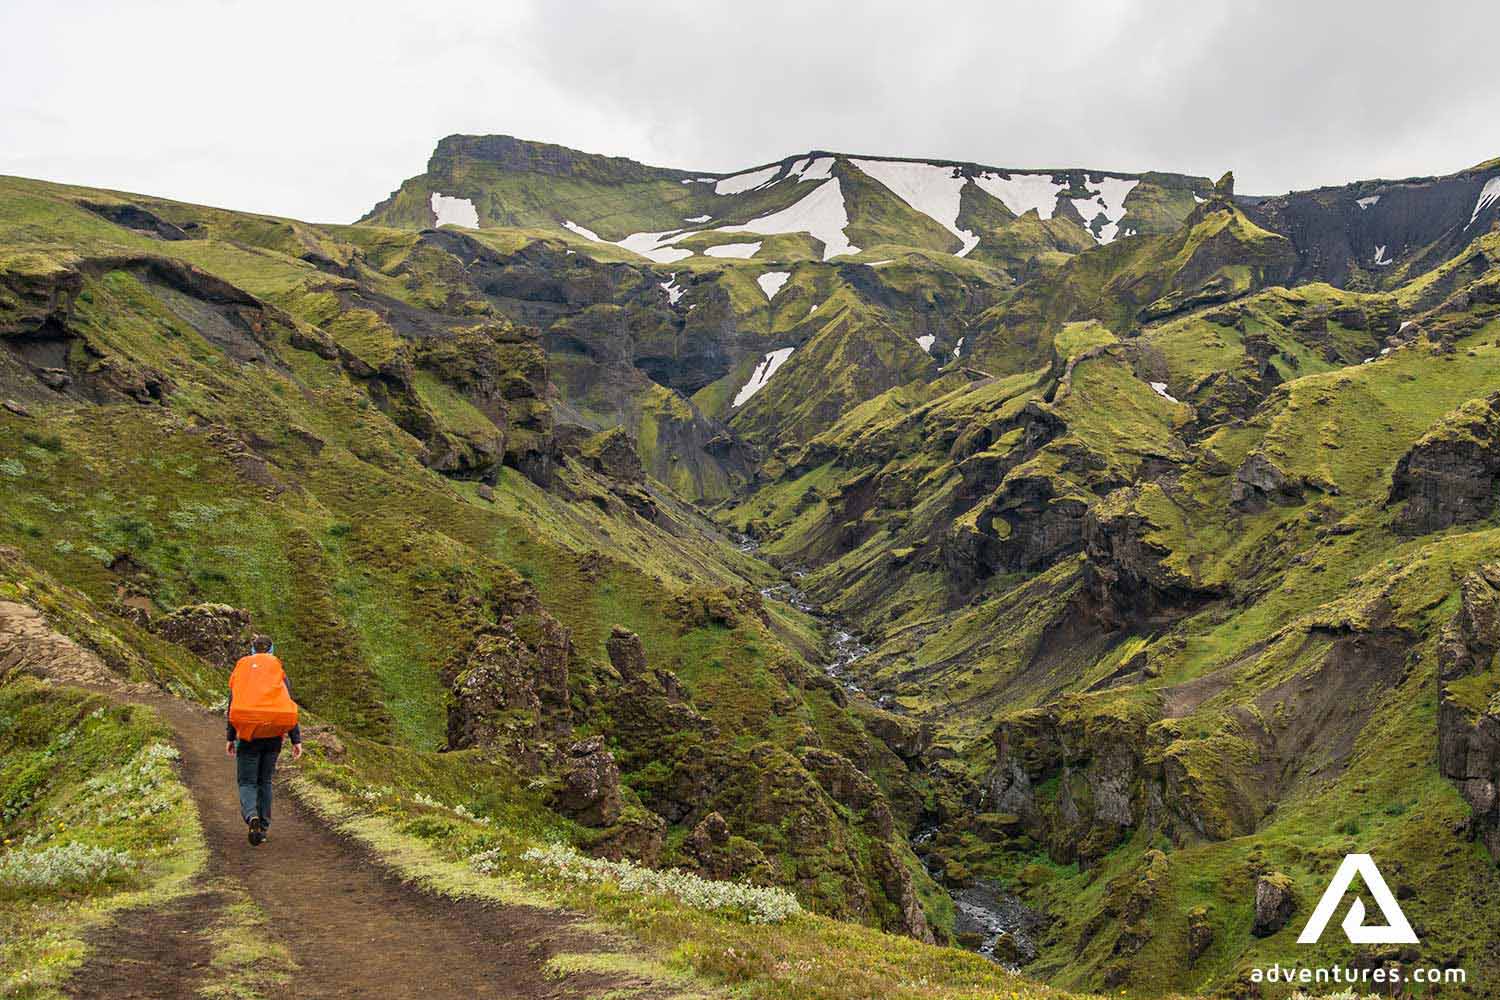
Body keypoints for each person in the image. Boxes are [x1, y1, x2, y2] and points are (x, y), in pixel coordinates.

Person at [225, 635, 302, 846]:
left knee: (248, 781)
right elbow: (287, 705)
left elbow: (233, 704)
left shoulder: (242, 671)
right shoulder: (279, 673)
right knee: (265, 781)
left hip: (249, 735)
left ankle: (252, 817)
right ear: (271, 650)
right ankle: (264, 828)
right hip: (273, 738)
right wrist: (296, 739)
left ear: (252, 650)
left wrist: (230, 737)